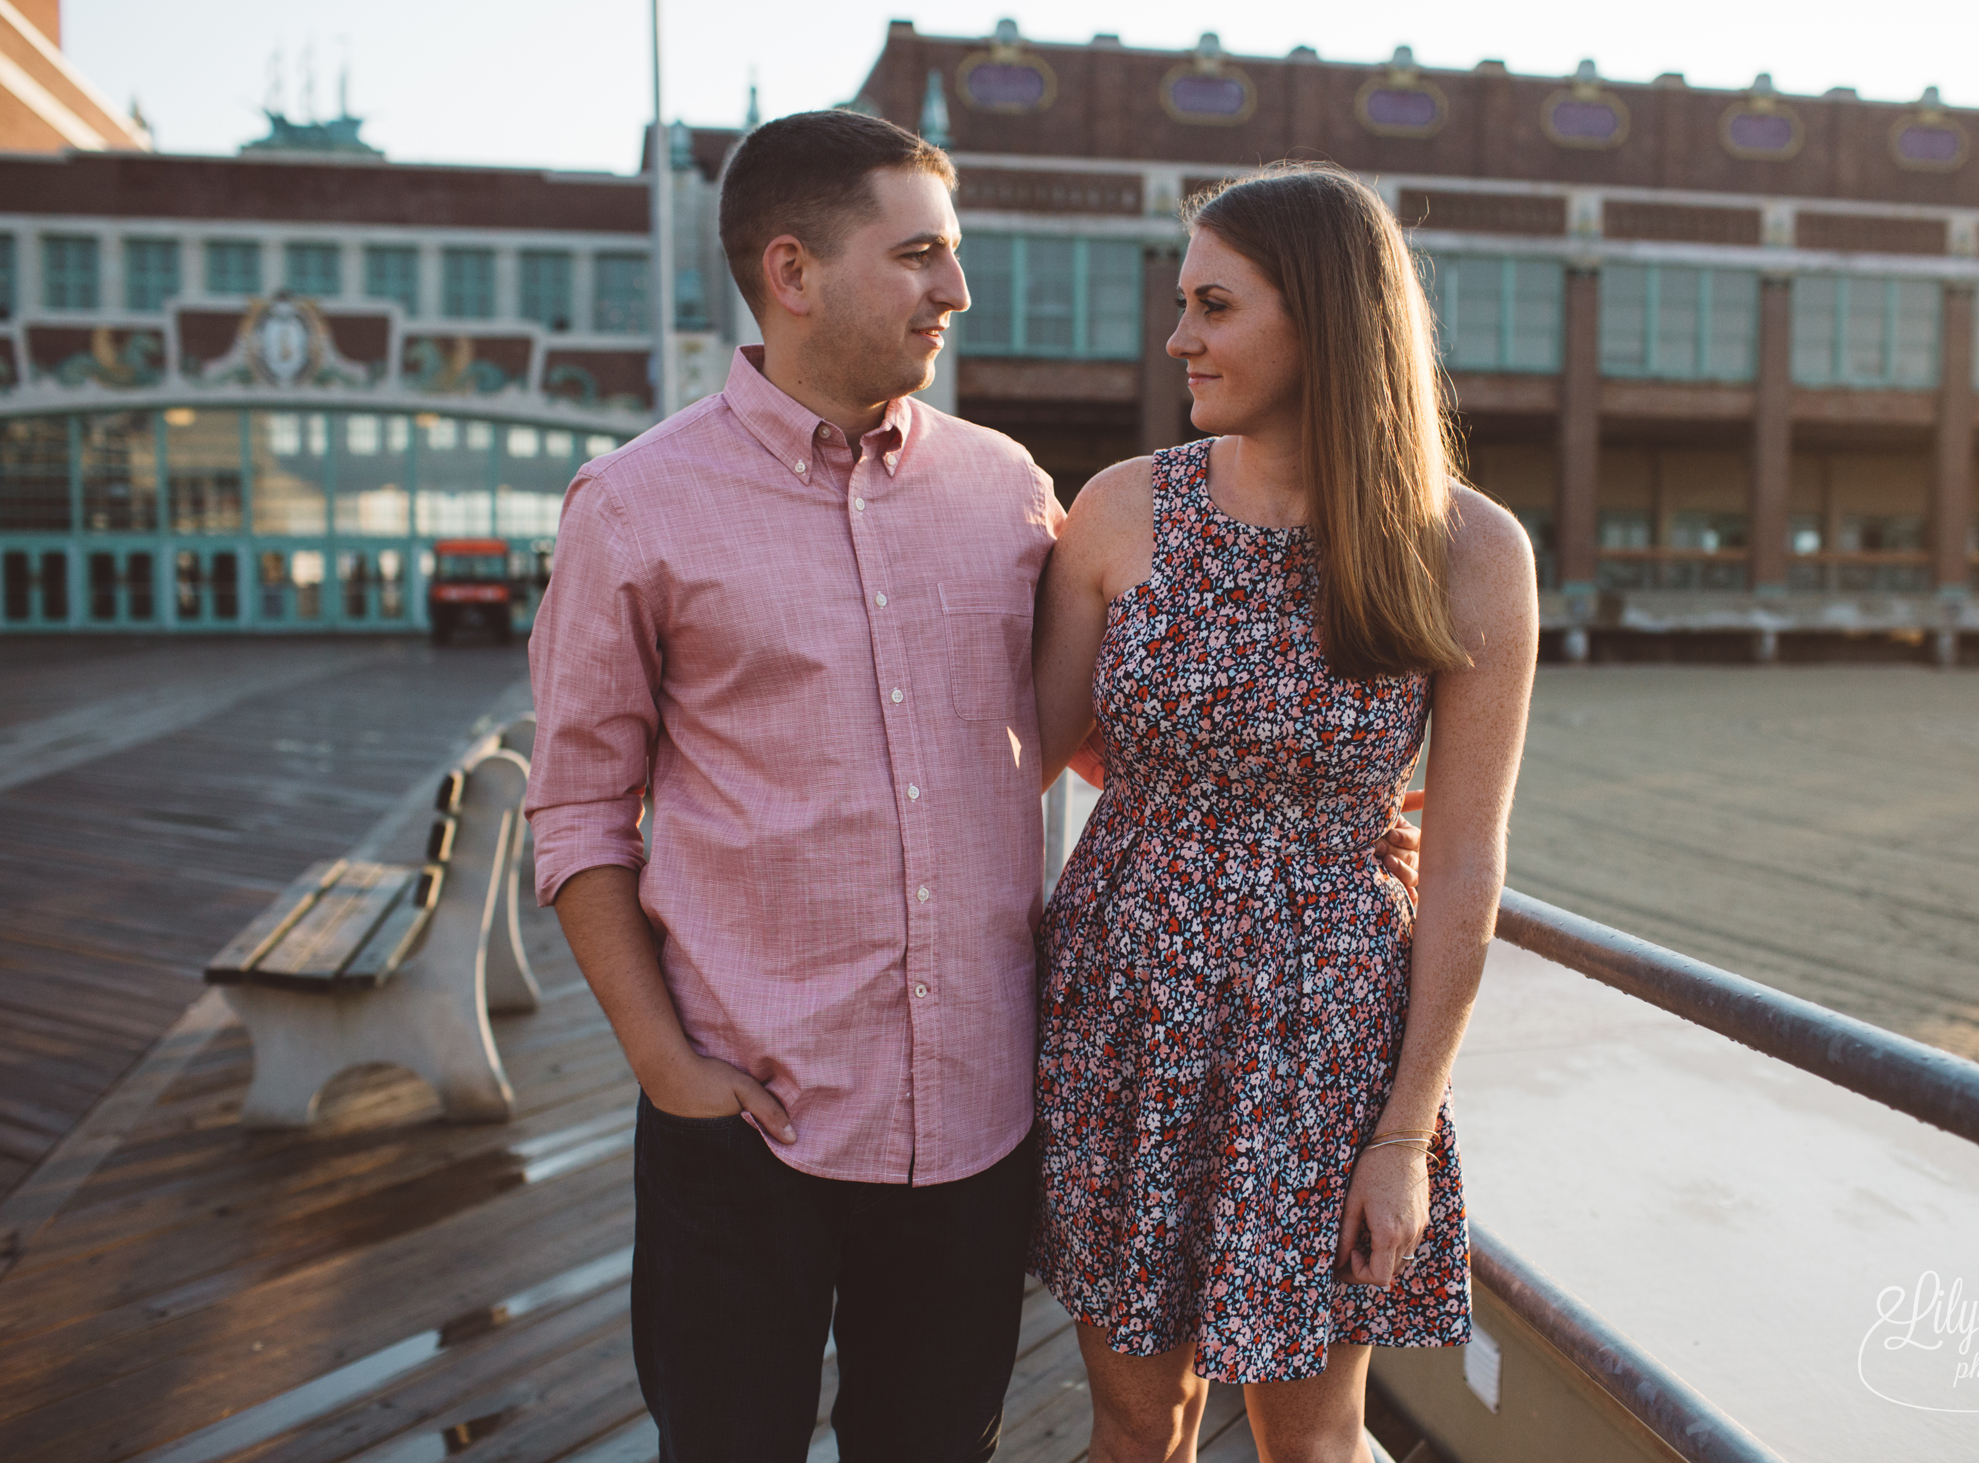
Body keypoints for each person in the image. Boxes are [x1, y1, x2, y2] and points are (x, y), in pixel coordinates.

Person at [526, 114, 1421, 1462]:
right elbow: (578, 811)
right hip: (743, 1105)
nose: (956, 290)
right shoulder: (634, 506)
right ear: (793, 271)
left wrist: (1329, 812)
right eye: (923, 256)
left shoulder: (1008, 492)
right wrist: (664, 1064)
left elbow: (1099, 725)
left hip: (978, 1113)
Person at [1030, 165, 1539, 1462]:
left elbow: (1468, 864)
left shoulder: (1467, 551)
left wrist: (1402, 1137)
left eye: (1212, 304)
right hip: (1118, 1018)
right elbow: (1009, 767)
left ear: (1319, 315)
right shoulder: (1119, 509)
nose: (1176, 338)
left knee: (1309, 1442)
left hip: (1322, 1051)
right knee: (1134, 1426)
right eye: (1180, 302)